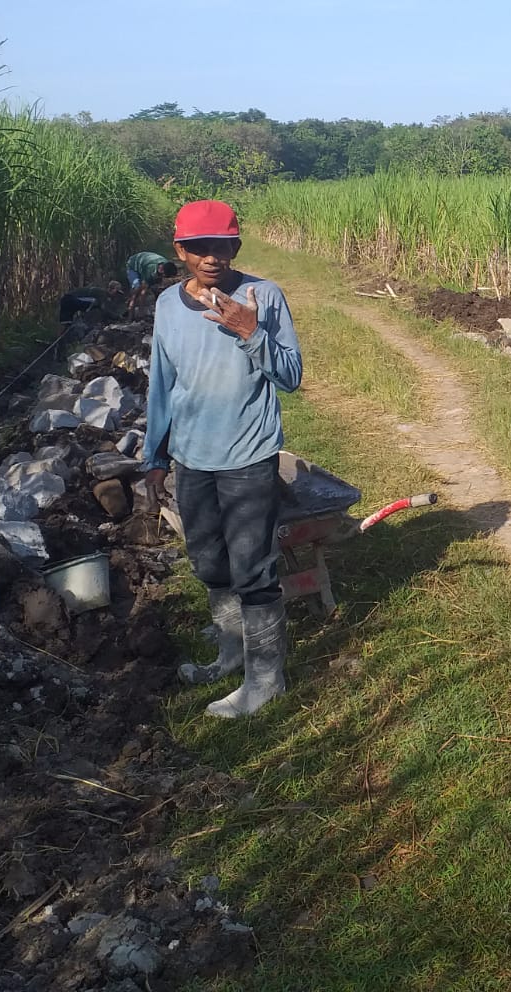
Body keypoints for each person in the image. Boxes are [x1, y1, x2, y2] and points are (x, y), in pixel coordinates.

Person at [142, 200, 303, 717]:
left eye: (222, 246)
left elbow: (291, 376)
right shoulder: (168, 305)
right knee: (209, 563)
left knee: (252, 569)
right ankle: (230, 655)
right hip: (192, 457)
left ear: (236, 247)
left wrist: (249, 332)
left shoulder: (263, 296)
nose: (211, 258)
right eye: (198, 248)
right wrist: (154, 454)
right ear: (180, 250)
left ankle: (265, 680)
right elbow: (162, 384)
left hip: (247, 453)